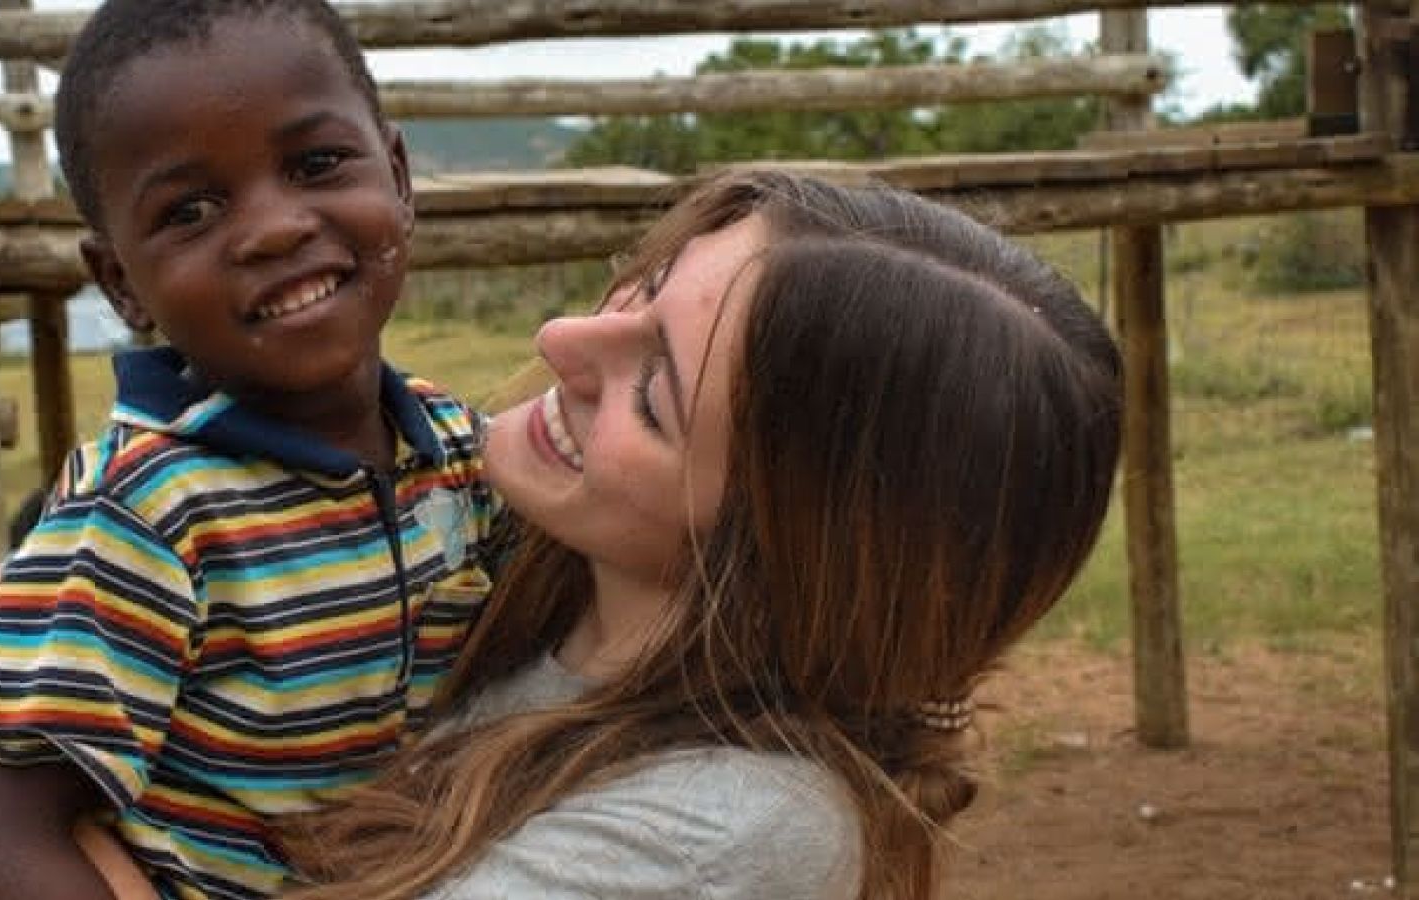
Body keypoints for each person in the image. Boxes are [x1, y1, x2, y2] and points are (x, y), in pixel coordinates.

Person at [269, 169, 1127, 899]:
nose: (561, 338)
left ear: (791, 547)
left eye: (653, 398)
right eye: (641, 286)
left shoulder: (732, 832)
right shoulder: (501, 574)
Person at [0, 2, 499, 899]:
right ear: (122, 283)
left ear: (398, 174)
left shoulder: (462, 452)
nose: (275, 228)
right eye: (191, 210)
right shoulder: (144, 516)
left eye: (316, 165)